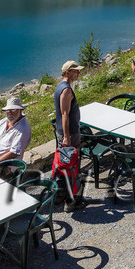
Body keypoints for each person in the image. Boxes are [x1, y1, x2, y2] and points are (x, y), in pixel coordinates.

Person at [52, 60, 84, 207]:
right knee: (72, 165)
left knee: (66, 166)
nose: (78, 73)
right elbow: (65, 114)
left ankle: (68, 197)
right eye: (75, 71)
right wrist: (67, 137)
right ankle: (71, 201)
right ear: (67, 72)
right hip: (70, 134)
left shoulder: (60, 86)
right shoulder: (66, 90)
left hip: (67, 132)